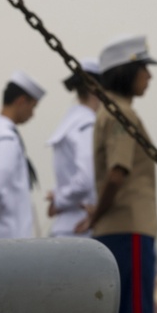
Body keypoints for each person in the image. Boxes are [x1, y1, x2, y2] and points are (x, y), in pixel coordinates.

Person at [76, 35, 157, 313]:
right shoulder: (122, 113)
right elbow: (117, 172)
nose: (149, 77)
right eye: (144, 69)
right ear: (128, 72)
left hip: (116, 233)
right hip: (130, 232)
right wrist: (96, 215)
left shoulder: (104, 112)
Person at [0, 71, 46, 239]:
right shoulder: (6, 138)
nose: (32, 114)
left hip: (0, 234)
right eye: (32, 106)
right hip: (8, 235)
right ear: (21, 101)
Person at [47, 58, 101, 237]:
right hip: (81, 227)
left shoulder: (69, 122)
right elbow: (85, 179)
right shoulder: (87, 123)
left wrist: (58, 197)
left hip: (65, 225)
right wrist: (59, 200)